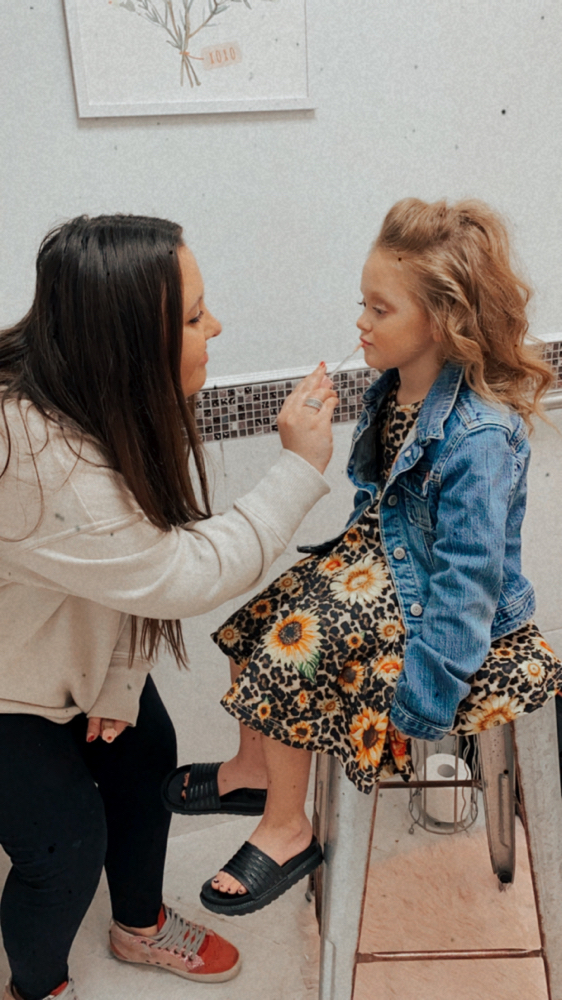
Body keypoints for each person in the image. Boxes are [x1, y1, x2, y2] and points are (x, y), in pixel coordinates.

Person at [163, 197, 562, 917]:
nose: (361, 324)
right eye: (363, 305)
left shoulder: (479, 437)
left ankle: (288, 827)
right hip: (384, 560)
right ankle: (257, 770)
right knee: (254, 621)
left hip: (434, 598)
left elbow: (467, 583)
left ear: (440, 323)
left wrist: (428, 698)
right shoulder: (391, 391)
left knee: (292, 652)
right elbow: (376, 504)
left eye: (380, 310)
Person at [0, 214, 339, 1000]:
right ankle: (37, 984)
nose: (216, 325)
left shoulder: (92, 398)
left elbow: (128, 562)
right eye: (193, 317)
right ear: (124, 339)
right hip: (9, 688)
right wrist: (299, 468)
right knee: (65, 847)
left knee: (146, 752)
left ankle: (139, 927)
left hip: (60, 646)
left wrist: (118, 681)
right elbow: (178, 570)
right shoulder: (35, 461)